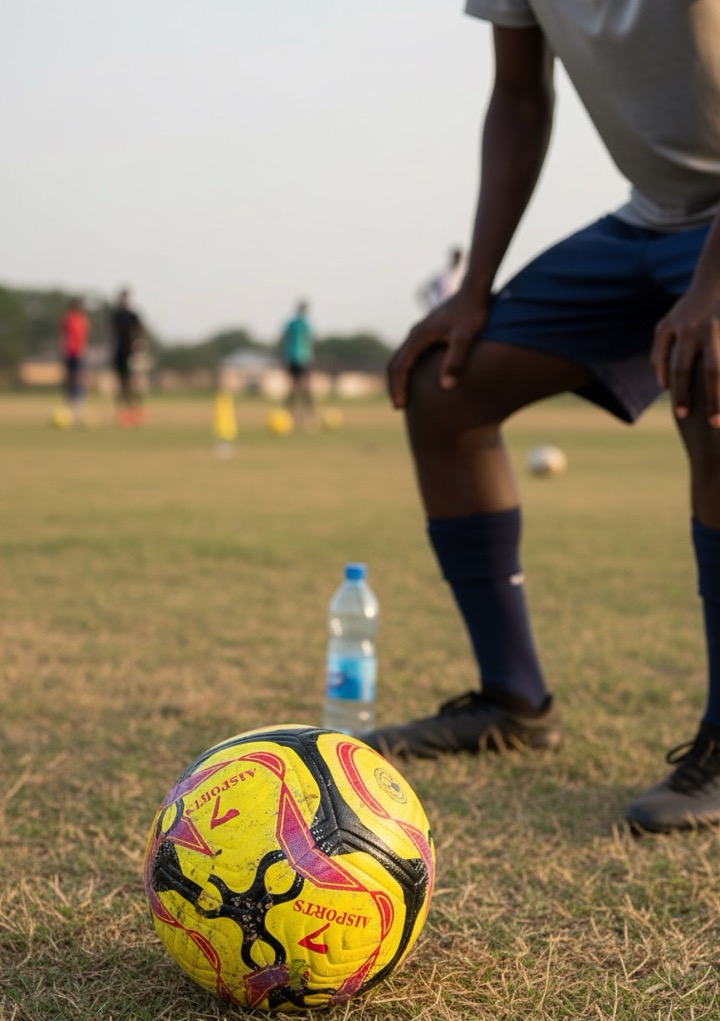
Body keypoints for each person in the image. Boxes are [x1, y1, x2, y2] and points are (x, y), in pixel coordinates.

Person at [362, 2, 720, 834]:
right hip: (650, 221)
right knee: (446, 387)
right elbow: (520, 97)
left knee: (711, 393)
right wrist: (474, 287)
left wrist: (710, 289)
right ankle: (512, 701)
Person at [110, 288, 145, 427]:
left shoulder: (133, 316)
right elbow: (112, 334)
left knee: (134, 383)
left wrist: (138, 349)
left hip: (132, 353)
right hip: (120, 353)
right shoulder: (116, 315)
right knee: (122, 384)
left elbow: (140, 332)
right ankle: (125, 415)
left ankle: (137, 413)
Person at [281, 301, 315, 428]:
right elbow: (309, 340)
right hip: (299, 357)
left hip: (298, 357)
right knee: (300, 386)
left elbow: (285, 339)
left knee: (298, 386)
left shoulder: (294, 324)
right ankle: (298, 412)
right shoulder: (300, 325)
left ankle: (296, 411)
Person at [60, 298, 89, 423]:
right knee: (70, 380)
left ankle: (78, 409)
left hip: (79, 354)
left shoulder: (83, 319)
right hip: (69, 353)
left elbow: (84, 337)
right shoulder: (67, 318)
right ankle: (69, 408)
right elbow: (63, 336)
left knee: (78, 380)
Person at [417, 247, 466, 314]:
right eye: (455, 257)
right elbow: (422, 292)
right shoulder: (441, 275)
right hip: (443, 311)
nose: (456, 259)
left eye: (458, 257)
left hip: (458, 312)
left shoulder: (464, 275)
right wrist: (432, 308)